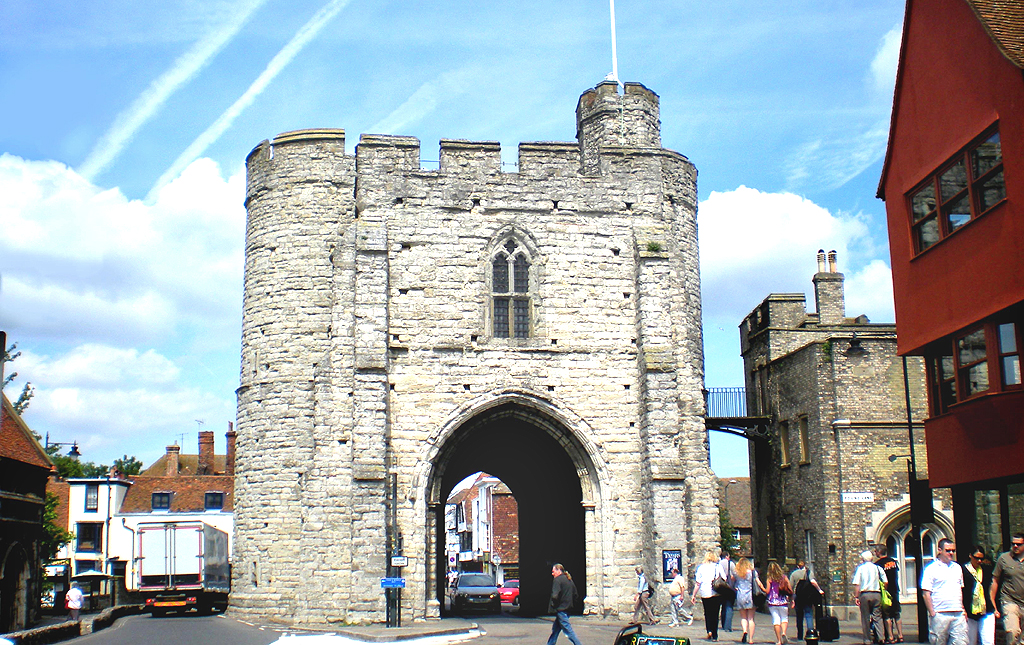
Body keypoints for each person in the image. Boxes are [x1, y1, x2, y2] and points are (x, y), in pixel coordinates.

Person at [922, 538, 967, 645]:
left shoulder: (957, 567)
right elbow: (926, 593)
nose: (951, 553)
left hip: (958, 613)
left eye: (953, 551)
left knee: (961, 642)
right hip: (940, 613)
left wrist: (963, 608)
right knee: (939, 642)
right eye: (948, 550)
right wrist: (932, 612)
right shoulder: (931, 568)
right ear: (939, 550)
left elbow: (960, 589)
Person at [991, 533, 1024, 645]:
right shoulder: (1004, 558)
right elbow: (995, 581)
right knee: (1013, 632)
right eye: (1013, 543)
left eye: (1018, 544)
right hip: (1009, 600)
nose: (1015, 546)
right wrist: (993, 604)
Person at [853, 550, 886, 645]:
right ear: (871, 558)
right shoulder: (878, 568)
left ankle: (867, 639)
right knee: (877, 617)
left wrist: (856, 596)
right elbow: (885, 581)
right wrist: (884, 590)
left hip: (864, 594)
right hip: (876, 593)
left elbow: (857, 584)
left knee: (865, 618)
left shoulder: (860, 568)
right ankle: (881, 637)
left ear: (863, 559)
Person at [964, 546, 995, 645]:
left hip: (986, 609)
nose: (979, 561)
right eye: (976, 558)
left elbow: (992, 588)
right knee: (971, 641)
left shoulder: (986, 570)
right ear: (970, 556)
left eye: (981, 558)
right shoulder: (963, 570)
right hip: (970, 611)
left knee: (988, 641)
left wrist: (995, 607)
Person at [547, 563, 583, 645]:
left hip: (561, 609)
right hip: (568, 608)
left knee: (568, 630)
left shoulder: (557, 580)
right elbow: (575, 595)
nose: (552, 574)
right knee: (555, 629)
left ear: (559, 570)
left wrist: (554, 605)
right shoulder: (569, 579)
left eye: (553, 571)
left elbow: (555, 595)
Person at [692, 551, 723, 641]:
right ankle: (715, 635)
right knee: (715, 614)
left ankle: (709, 630)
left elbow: (698, 583)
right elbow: (724, 577)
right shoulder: (718, 566)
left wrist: (693, 595)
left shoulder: (701, 568)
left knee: (707, 613)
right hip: (716, 592)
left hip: (705, 593)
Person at [877, 545, 904, 643]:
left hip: (886, 592)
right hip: (895, 590)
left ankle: (890, 636)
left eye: (876, 551)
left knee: (887, 615)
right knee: (897, 614)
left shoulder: (878, 564)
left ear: (878, 552)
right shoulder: (893, 561)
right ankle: (900, 635)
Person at [734, 557, 764, 644]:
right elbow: (758, 583)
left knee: (743, 617)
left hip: (740, 596)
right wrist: (764, 590)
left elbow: (732, 579)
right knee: (751, 618)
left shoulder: (737, 573)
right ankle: (750, 639)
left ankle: (744, 631)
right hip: (750, 596)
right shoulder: (752, 572)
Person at [794, 563, 824, 641]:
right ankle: (810, 633)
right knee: (808, 615)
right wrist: (819, 590)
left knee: (799, 617)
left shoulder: (794, 574)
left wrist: (791, 598)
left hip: (798, 597)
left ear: (798, 566)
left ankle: (800, 636)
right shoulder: (809, 572)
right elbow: (813, 582)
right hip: (807, 597)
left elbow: (791, 586)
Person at [766, 562, 793, 645]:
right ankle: (784, 632)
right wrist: (792, 599)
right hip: (783, 601)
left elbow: (767, 591)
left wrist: (761, 587)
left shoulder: (769, 579)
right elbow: (790, 589)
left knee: (776, 620)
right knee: (784, 618)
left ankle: (779, 641)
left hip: (772, 602)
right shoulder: (784, 577)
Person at [720, 551, 737, 633]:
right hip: (729, 587)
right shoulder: (731, 564)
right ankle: (728, 626)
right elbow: (735, 575)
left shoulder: (719, 563)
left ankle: (723, 624)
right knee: (729, 606)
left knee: (723, 605)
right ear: (727, 556)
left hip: (721, 587)